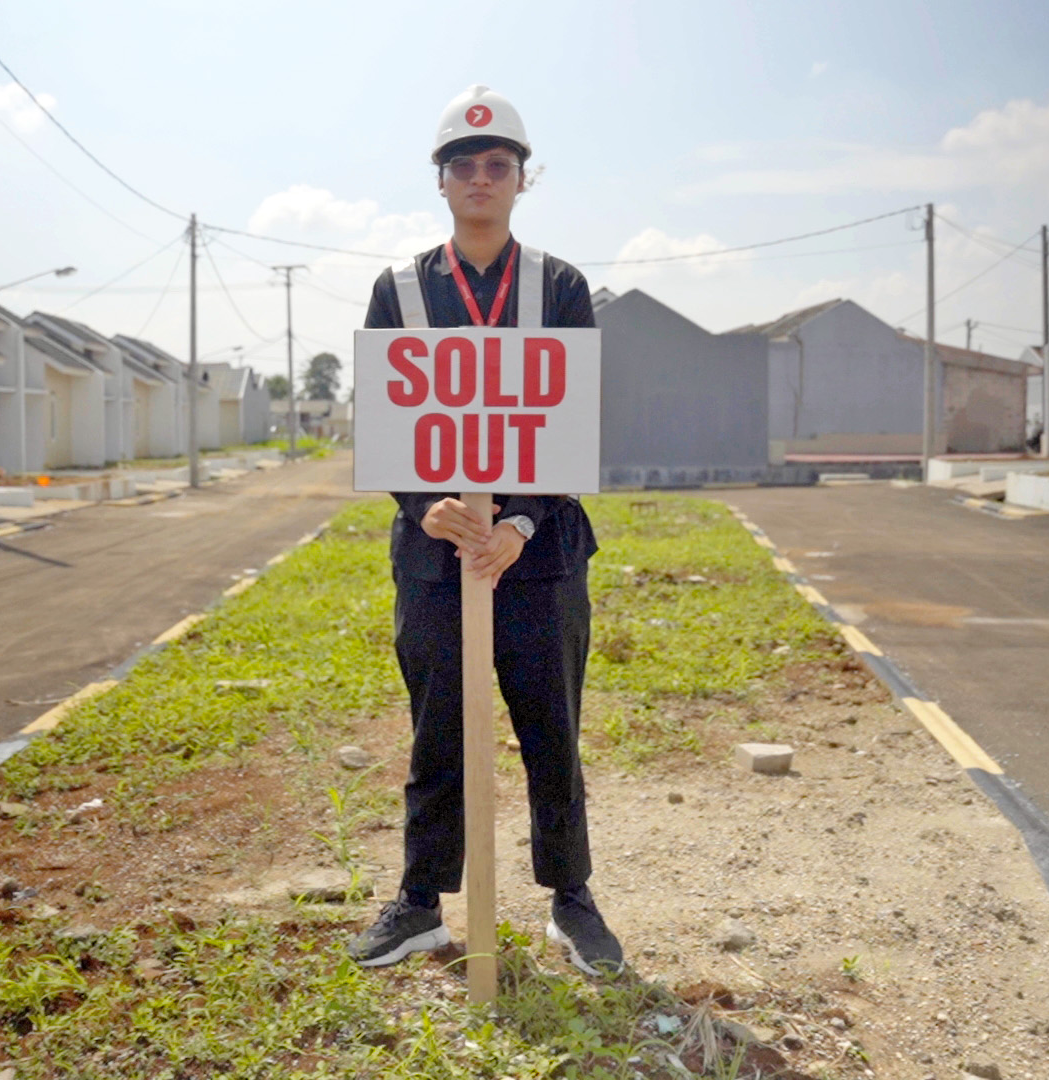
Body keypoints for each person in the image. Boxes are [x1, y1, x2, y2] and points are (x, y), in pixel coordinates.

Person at [348, 85, 622, 977]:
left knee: (552, 730)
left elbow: (572, 420)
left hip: (539, 561)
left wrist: (525, 521)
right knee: (438, 733)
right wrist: (420, 502)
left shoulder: (561, 286)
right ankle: (420, 903)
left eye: (497, 164)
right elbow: (386, 416)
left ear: (521, 178)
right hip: (436, 557)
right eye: (462, 164)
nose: (480, 177)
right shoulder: (397, 290)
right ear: (441, 180)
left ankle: (572, 899)